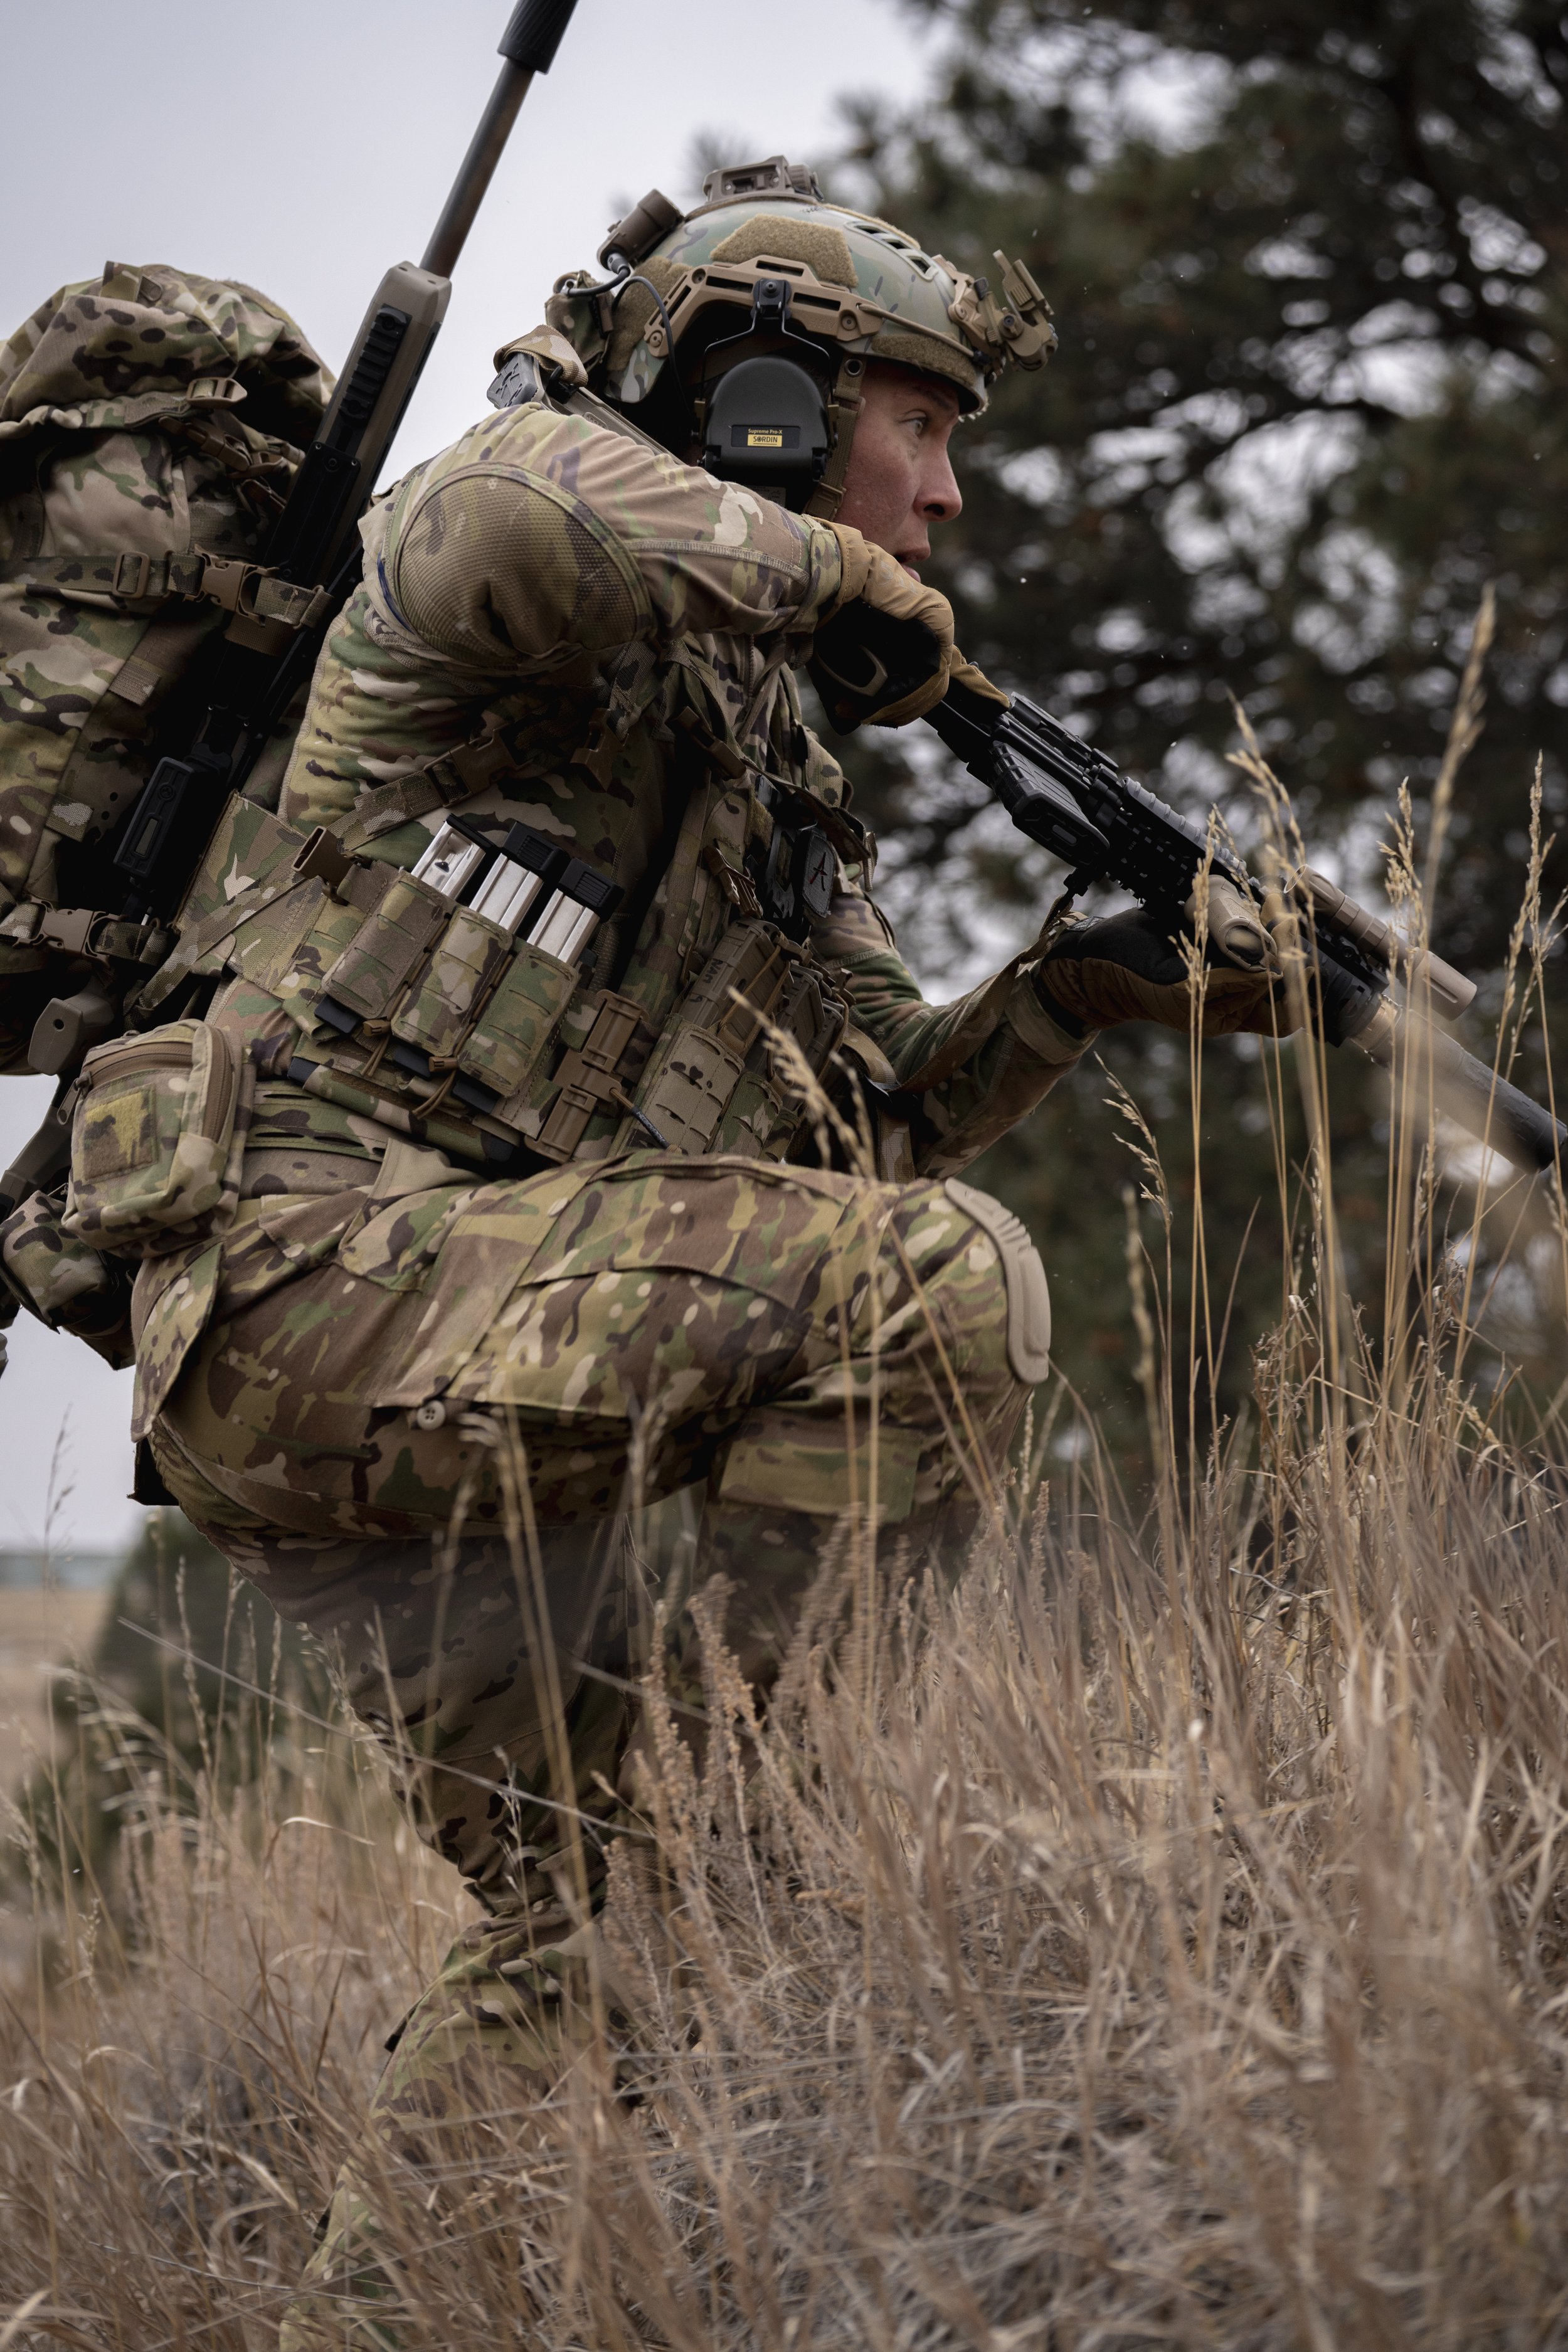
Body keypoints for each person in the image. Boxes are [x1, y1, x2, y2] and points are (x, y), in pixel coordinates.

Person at [122, 157, 1284, 2341]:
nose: (939, 499)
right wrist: (820, 570)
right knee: (944, 1288)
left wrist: (1093, 992)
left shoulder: (761, 761)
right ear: (761, 402)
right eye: (916, 425)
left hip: (480, 1378)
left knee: (612, 1927)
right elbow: (523, 488)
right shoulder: (504, 537)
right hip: (313, 1296)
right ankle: (758, 1797)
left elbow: (870, 1115)